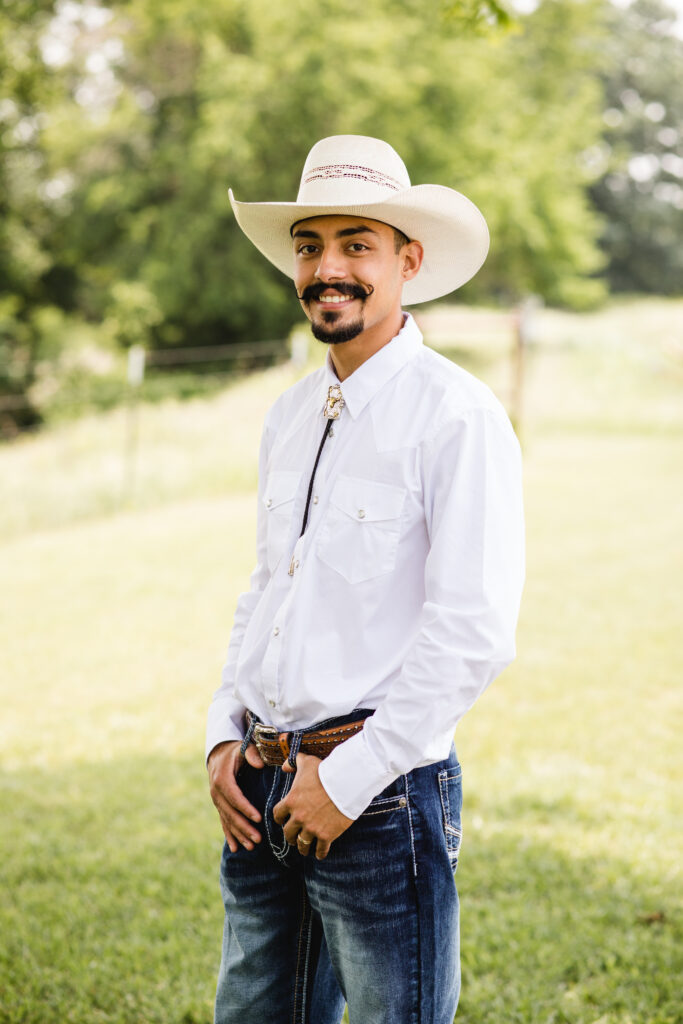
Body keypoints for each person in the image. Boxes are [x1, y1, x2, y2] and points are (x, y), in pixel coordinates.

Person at [206, 134, 525, 1024]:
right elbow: (268, 588)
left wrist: (347, 783)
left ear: (407, 262)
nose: (326, 268)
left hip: (378, 799)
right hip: (260, 783)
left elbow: (472, 628)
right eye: (309, 246)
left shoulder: (455, 415)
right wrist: (219, 737)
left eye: (357, 245)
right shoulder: (290, 413)